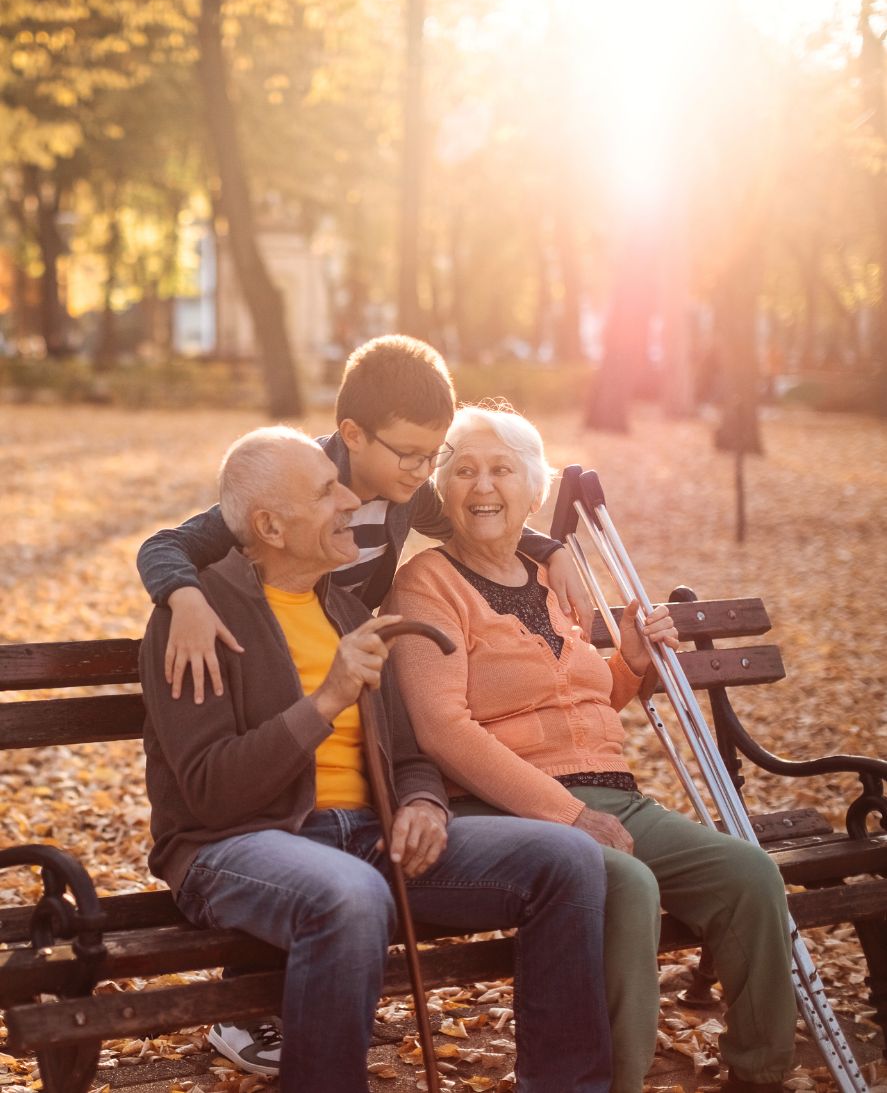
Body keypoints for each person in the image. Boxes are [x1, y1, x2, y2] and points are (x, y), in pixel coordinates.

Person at [140, 425, 613, 1093]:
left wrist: (422, 800)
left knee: (567, 858)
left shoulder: (343, 606)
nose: (347, 502)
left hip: (365, 834)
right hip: (233, 845)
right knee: (350, 895)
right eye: (325, 490)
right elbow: (211, 793)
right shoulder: (195, 620)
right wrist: (326, 698)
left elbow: (408, 750)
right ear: (270, 525)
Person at [385, 403, 797, 1093]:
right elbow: (442, 729)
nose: (481, 486)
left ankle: (759, 1076)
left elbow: (581, 701)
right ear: (442, 490)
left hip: (616, 796)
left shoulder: (550, 577)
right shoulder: (425, 584)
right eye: (462, 470)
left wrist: (630, 662)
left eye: (500, 469)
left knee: (749, 874)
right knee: (627, 885)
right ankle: (614, 1084)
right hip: (510, 811)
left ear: (533, 487)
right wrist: (568, 815)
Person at [137, 334, 592, 705]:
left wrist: (550, 551)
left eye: (434, 455)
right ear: (353, 435)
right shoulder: (294, 483)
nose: (422, 471)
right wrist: (187, 600)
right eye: (409, 455)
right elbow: (164, 546)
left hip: (345, 665)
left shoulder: (408, 494)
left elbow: (473, 521)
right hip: (267, 666)